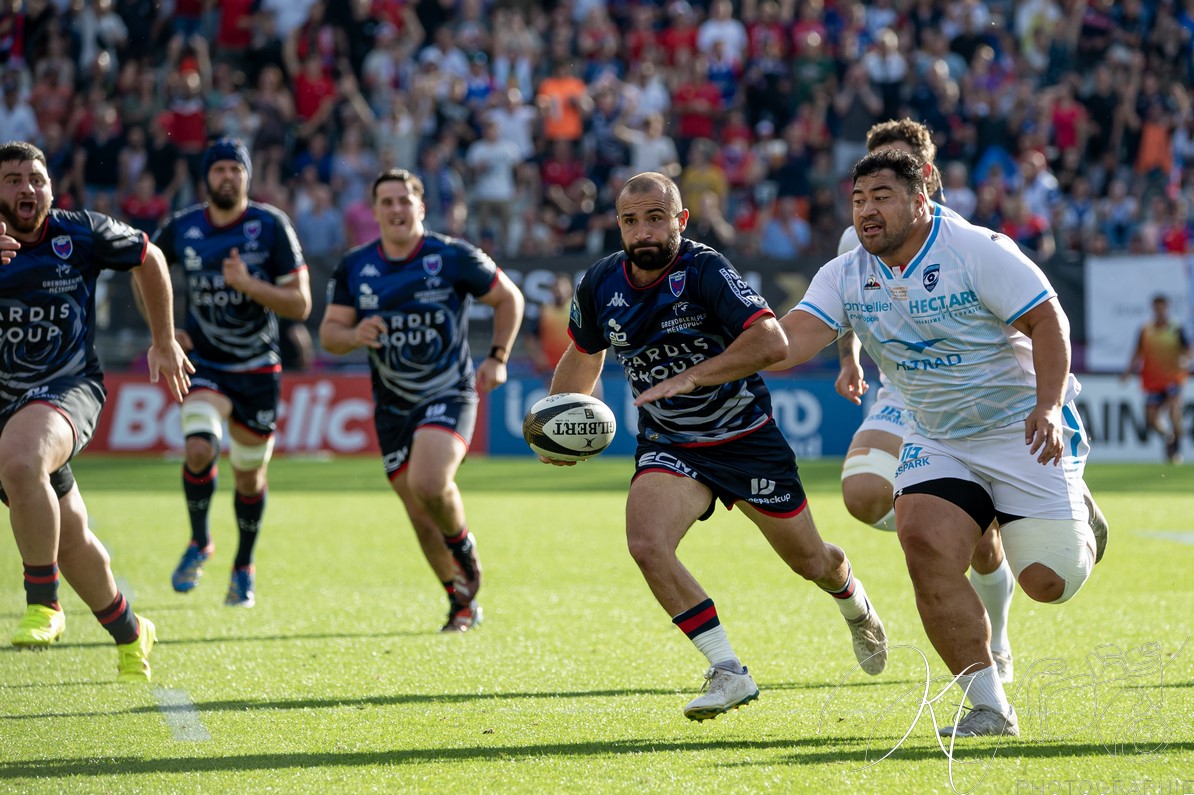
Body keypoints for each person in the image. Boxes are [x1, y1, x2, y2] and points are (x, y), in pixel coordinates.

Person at [776, 149, 1109, 738]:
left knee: (1048, 583)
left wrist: (1050, 406)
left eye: (881, 196)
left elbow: (1048, 320)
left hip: (1017, 425)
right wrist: (709, 364)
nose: (867, 210)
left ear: (921, 193)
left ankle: (1072, 511)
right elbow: (793, 336)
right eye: (858, 199)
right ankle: (988, 706)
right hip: (936, 431)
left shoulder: (976, 249)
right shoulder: (847, 266)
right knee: (922, 541)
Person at [543, 172, 888, 722]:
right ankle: (727, 670)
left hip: (745, 440)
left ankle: (853, 601)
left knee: (812, 562)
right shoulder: (599, 284)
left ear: (680, 220)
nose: (644, 231)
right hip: (670, 444)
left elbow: (771, 340)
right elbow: (585, 355)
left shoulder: (706, 270)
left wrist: (695, 376)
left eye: (657, 218)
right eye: (631, 221)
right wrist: (556, 424)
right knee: (646, 542)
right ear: (619, 226)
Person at [833, 118, 1018, 684]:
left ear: (925, 176)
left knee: (986, 549)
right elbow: (840, 301)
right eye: (870, 178)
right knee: (863, 494)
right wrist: (849, 358)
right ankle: (945, 519)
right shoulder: (855, 238)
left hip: (969, 394)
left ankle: (999, 637)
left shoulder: (964, 237)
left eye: (895, 173)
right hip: (903, 388)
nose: (875, 194)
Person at [0, 140, 192, 681]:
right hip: (5, 402)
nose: (26, 189)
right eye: (12, 180)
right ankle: (133, 631)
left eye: (35, 178)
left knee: (21, 460)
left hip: (67, 389)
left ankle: (44, 602)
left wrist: (163, 340)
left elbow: (149, 256)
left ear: (51, 188)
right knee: (69, 535)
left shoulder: (78, 231)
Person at [320, 168, 524, 632]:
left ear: (421, 207)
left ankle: (463, 547)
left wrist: (497, 357)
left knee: (428, 483)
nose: (395, 209)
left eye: (404, 200)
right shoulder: (356, 266)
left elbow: (509, 298)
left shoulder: (449, 256)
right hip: (392, 407)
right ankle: (460, 601)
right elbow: (329, 336)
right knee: (417, 514)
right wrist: (354, 334)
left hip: (449, 392)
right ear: (374, 212)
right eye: (386, 202)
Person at [153, 137, 312, 608]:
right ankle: (200, 540)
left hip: (259, 369)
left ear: (247, 176)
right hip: (206, 363)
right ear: (207, 178)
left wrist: (249, 284)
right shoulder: (183, 227)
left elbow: (301, 304)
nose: (228, 177)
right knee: (199, 447)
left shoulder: (270, 226)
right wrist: (165, 333)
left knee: (248, 477)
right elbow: (146, 271)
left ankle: (243, 565)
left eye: (235, 170)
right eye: (219, 169)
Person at [1122, 295, 1190, 463]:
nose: (1159, 311)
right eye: (1156, 308)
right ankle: (1169, 438)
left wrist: (1186, 360)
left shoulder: (1176, 328)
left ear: (1166, 308)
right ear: (1153, 309)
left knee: (1174, 410)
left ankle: (1177, 447)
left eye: (1162, 308)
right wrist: (1128, 371)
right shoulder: (1146, 330)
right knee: (1151, 420)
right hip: (1153, 380)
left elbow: (1188, 349)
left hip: (1173, 378)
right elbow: (1137, 352)